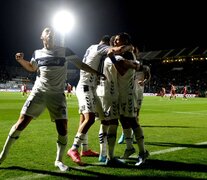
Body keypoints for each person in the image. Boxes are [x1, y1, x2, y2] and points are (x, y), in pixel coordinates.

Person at [0, 27, 105, 172]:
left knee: (62, 128)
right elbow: (32, 68)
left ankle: (59, 161)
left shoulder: (65, 51)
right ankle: (2, 156)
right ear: (42, 36)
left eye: (52, 33)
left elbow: (80, 65)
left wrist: (97, 73)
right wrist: (20, 60)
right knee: (21, 123)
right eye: (47, 32)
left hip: (57, 95)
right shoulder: (37, 53)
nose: (50, 34)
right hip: (39, 93)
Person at [67, 35, 133, 165]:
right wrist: (128, 47)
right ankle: (73, 148)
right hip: (86, 87)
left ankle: (85, 149)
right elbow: (113, 51)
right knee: (90, 118)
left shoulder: (91, 47)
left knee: (101, 120)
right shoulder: (101, 47)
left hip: (91, 88)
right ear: (107, 43)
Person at [97, 35, 139, 166]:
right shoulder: (114, 56)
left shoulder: (110, 56)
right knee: (112, 123)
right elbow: (122, 68)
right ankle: (110, 157)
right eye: (114, 41)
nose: (116, 42)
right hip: (111, 94)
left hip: (107, 93)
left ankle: (104, 154)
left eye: (117, 40)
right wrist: (137, 64)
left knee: (106, 123)